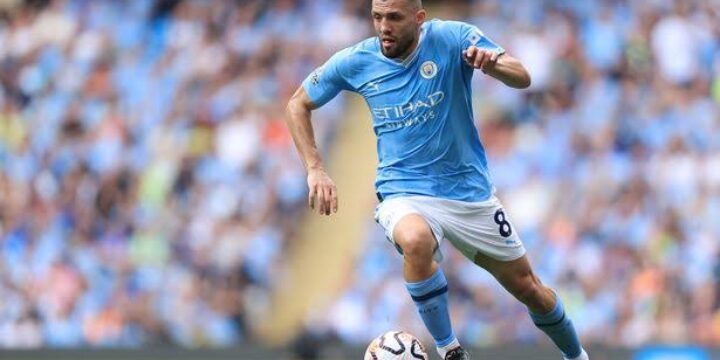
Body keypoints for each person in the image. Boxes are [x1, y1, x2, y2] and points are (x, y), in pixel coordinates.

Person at [285, 1, 589, 359]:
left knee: (530, 289)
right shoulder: (356, 60)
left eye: (394, 18)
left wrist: (493, 64)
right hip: (403, 192)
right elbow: (297, 104)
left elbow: (522, 76)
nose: (384, 26)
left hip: (468, 194)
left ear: (418, 18)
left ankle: (577, 356)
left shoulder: (452, 37)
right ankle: (450, 350)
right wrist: (315, 168)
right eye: (377, 17)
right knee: (415, 239)